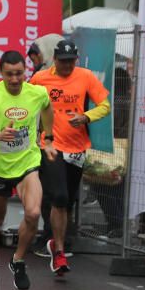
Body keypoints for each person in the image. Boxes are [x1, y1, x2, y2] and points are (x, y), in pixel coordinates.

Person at [0, 50, 56, 290]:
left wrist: (48, 138)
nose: (15, 79)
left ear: (25, 71)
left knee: (33, 212)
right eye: (10, 75)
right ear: (1, 73)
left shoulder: (36, 93)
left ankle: (18, 260)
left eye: (19, 73)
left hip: (27, 163)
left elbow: (47, 107)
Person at [29, 39, 110, 274]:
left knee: (68, 200)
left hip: (77, 148)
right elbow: (26, 102)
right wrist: (33, 135)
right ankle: (60, 251)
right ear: (54, 59)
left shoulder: (85, 76)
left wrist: (86, 116)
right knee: (60, 197)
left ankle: (56, 243)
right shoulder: (40, 78)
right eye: (63, 62)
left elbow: (105, 105)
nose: (67, 66)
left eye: (71, 61)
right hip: (50, 145)